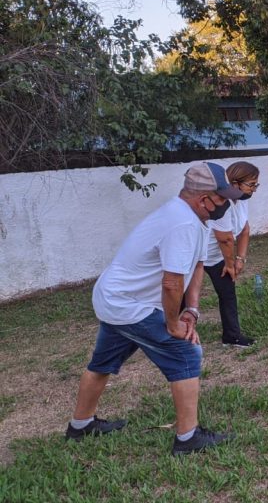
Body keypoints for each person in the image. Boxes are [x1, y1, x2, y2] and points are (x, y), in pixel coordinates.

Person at [66, 162, 240, 456]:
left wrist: (192, 311)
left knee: (102, 363)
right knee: (186, 352)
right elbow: (172, 283)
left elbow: (197, 266)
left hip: (117, 299)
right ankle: (188, 439)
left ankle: (80, 425)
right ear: (204, 199)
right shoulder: (182, 223)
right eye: (223, 199)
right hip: (126, 303)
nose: (227, 205)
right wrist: (173, 324)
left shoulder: (193, 219)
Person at [203, 161, 260, 348]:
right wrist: (230, 264)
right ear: (235, 183)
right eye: (251, 185)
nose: (254, 190)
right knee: (183, 295)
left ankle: (231, 336)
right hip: (197, 254)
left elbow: (244, 230)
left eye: (255, 185)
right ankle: (163, 330)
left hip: (218, 256)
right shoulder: (222, 202)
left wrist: (240, 259)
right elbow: (225, 239)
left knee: (228, 294)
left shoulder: (241, 202)